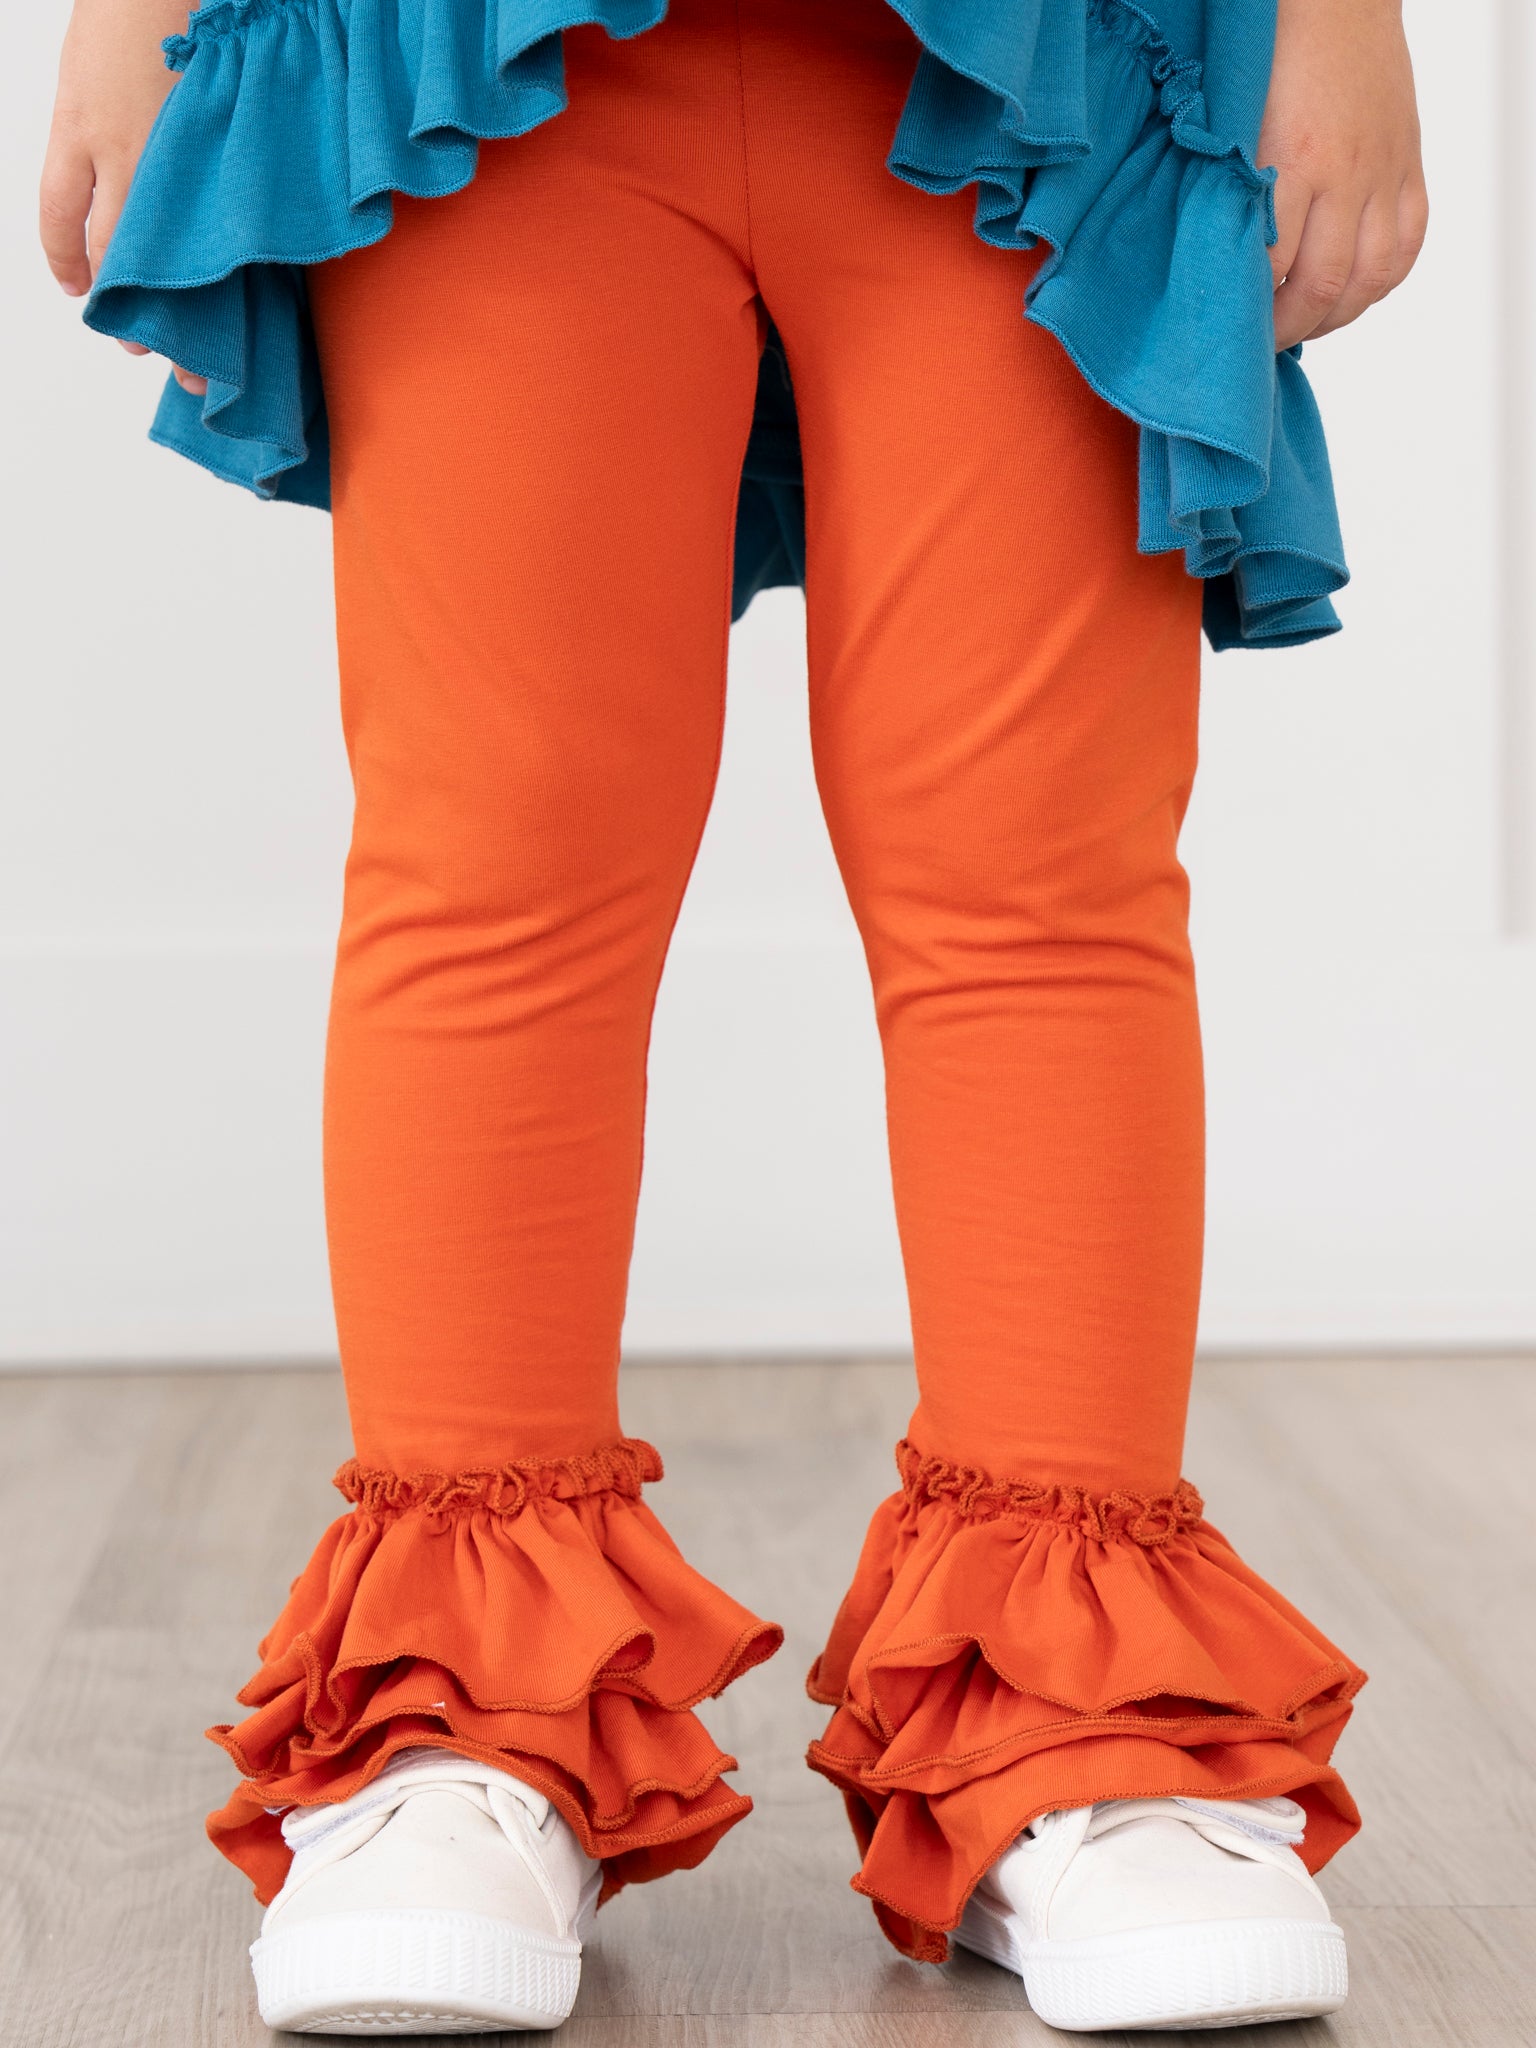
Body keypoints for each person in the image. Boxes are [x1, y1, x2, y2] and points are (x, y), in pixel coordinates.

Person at [41, 0, 1426, 2033]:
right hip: (491, 55)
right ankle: (466, 1710)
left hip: (1048, 47)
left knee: (1035, 864)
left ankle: (1072, 1705)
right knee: (494, 854)